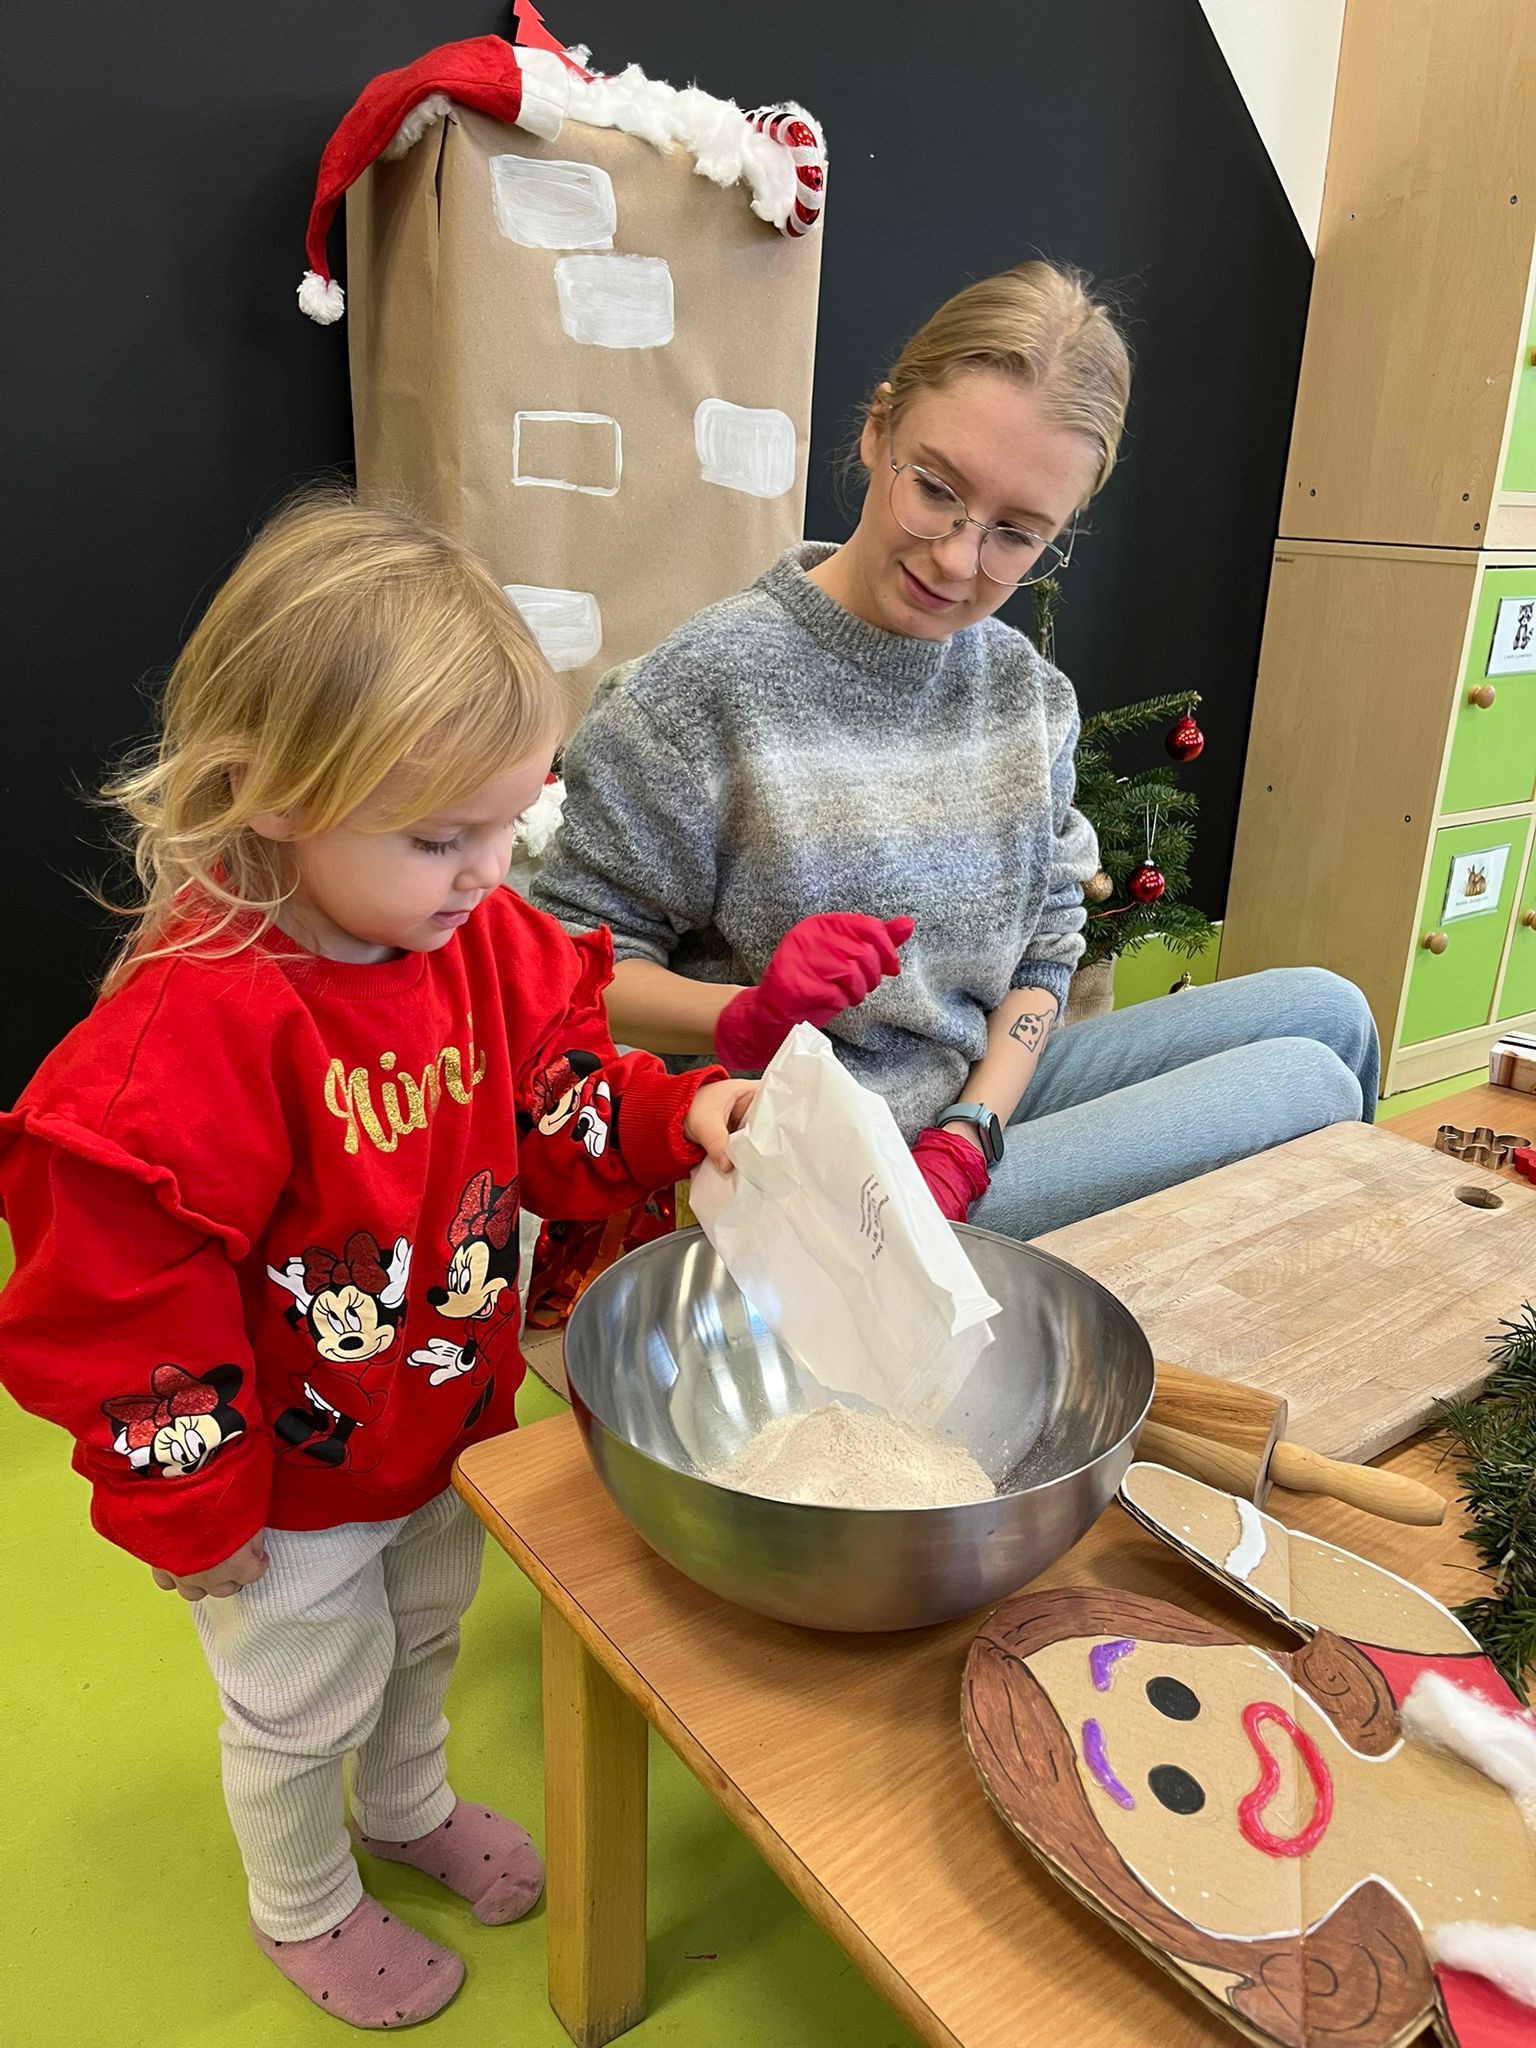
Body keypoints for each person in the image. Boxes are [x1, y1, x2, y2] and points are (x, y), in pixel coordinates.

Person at [0, 495, 754, 2029]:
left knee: (423, 1637)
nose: (489, 872)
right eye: (438, 838)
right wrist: (197, 1508)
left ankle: (405, 1809)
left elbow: (555, 1101)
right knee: (297, 1701)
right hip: (279, 1486)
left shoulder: (476, 940)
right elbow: (119, 1303)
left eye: (509, 823)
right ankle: (302, 1906)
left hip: (439, 1422)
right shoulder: (196, 1032)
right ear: (268, 794)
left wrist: (675, 1116)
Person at [533, 262, 1378, 1239]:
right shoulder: (698, 692)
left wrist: (972, 1131)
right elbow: (560, 972)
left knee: (1332, 1011)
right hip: (793, 1156)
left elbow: (1047, 949)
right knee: (1304, 1082)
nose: (956, 558)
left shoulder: (1026, 695)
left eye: (1017, 534)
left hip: (966, 1104)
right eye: (936, 489)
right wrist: (745, 1014)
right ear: (878, 428)